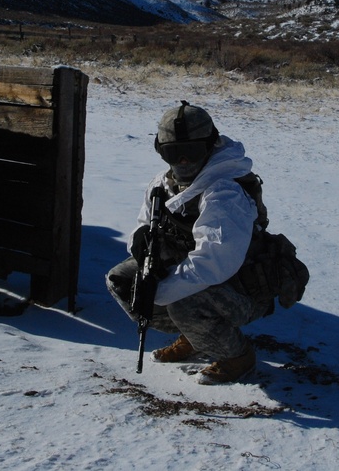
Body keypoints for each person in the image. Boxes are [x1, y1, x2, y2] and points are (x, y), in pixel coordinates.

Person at [106, 101, 273, 385]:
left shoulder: (224, 191)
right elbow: (146, 222)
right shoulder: (164, 184)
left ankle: (238, 356)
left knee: (180, 300)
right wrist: (142, 242)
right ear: (161, 152)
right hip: (201, 274)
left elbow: (213, 263)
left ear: (210, 145)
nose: (183, 161)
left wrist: (157, 292)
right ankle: (196, 335)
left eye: (191, 151)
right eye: (174, 153)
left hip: (246, 287)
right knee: (123, 282)